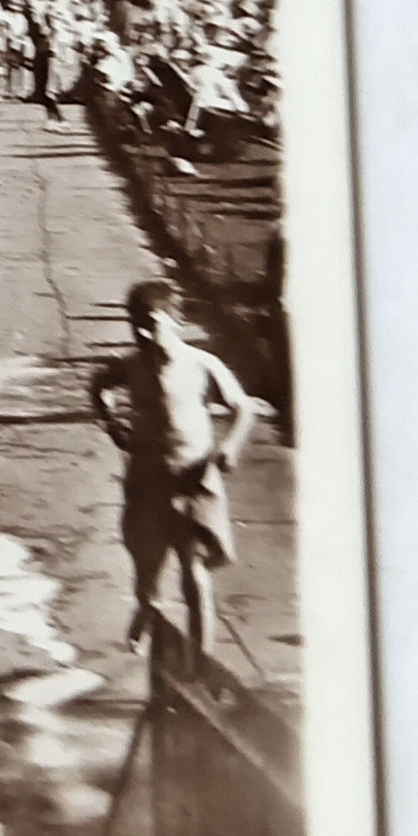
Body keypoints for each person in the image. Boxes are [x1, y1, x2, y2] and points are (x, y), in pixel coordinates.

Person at [93, 279, 259, 658]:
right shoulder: (131, 366)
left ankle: (200, 660)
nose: (143, 333)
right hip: (148, 482)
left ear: (175, 321)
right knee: (148, 569)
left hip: (193, 481)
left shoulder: (201, 365)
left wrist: (229, 446)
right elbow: (98, 384)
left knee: (194, 573)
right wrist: (112, 421)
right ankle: (147, 608)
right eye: (135, 324)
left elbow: (243, 407)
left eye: (152, 323)